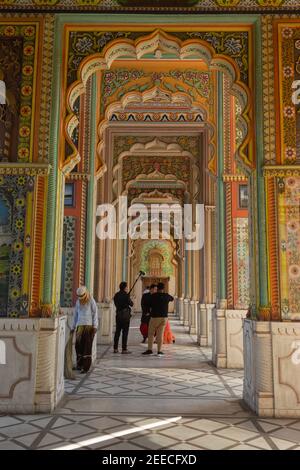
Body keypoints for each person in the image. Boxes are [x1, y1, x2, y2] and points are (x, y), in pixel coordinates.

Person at [71, 286, 98, 374]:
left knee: (87, 347)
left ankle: (85, 367)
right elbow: (75, 315)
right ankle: (79, 364)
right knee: (78, 346)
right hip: (80, 326)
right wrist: (73, 327)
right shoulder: (78, 302)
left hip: (88, 327)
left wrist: (95, 326)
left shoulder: (91, 300)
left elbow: (95, 314)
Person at [142, 282, 174, 357]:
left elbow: (147, 304)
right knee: (160, 334)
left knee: (151, 334)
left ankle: (150, 350)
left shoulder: (153, 296)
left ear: (157, 289)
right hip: (164, 318)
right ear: (163, 288)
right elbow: (172, 298)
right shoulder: (166, 296)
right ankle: (159, 351)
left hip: (154, 317)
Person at [113, 281, 133, 354]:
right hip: (125, 316)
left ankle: (115, 348)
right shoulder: (126, 295)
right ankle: (124, 349)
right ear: (125, 287)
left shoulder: (116, 295)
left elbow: (116, 303)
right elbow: (131, 304)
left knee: (117, 332)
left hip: (118, 315)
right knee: (125, 332)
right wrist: (128, 297)